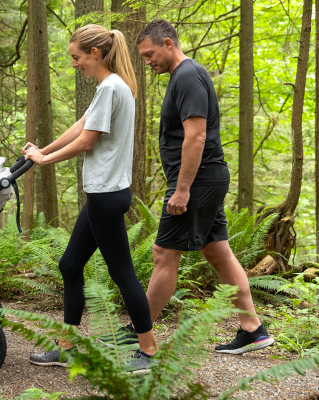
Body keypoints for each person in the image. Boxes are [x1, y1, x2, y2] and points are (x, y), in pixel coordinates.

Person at [131, 19, 273, 354]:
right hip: (205, 178)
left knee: (164, 253)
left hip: (197, 179)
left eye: (150, 54)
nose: (148, 61)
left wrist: (182, 190)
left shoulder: (187, 76)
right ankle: (253, 329)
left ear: (168, 43)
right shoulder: (183, 76)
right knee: (217, 250)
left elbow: (196, 136)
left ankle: (139, 334)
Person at [23, 24, 158, 373]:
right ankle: (67, 346)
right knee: (69, 265)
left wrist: (45, 161)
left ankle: (148, 351)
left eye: (76, 57)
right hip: (103, 194)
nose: (74, 64)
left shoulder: (112, 87)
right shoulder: (112, 87)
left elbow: (87, 141)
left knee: (123, 273)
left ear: (95, 54)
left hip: (106, 196)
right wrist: (43, 149)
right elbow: (82, 124)